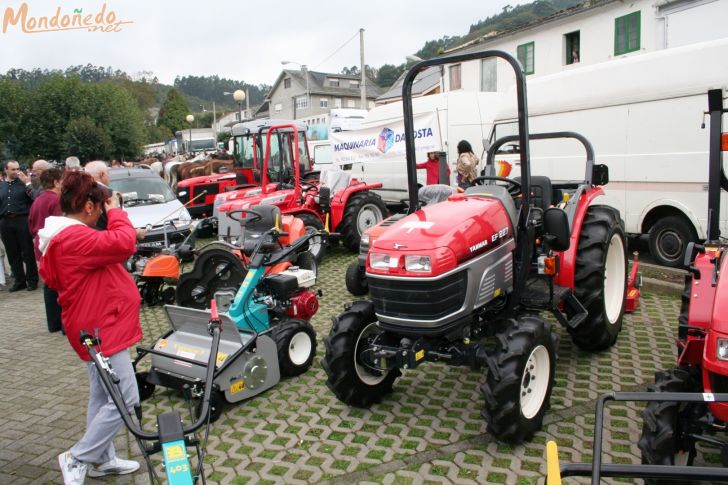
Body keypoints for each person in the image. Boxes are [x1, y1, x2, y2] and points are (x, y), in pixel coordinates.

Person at [38, 171, 141, 484]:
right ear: (87, 206)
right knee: (126, 397)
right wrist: (118, 210)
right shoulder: (74, 237)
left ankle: (102, 459)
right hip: (101, 329)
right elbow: (124, 242)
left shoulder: (65, 235)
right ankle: (79, 456)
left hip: (92, 327)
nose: (100, 213)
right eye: (98, 207)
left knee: (101, 396)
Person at [28, 167, 63, 333]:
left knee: (49, 284)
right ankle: (63, 323)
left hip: (40, 245)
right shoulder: (56, 201)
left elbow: (31, 223)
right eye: (61, 180)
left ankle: (54, 323)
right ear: (56, 182)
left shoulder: (38, 200)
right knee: (61, 284)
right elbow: (60, 226)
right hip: (53, 246)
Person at [0, 160, 39, 291]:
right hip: (5, 222)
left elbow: (34, 200)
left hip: (22, 220)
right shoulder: (1, 186)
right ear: (6, 170)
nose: (16, 171)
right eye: (13, 169)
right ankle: (19, 280)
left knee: (27, 251)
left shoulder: (24, 184)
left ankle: (32, 279)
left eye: (17, 169)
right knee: (12, 253)